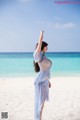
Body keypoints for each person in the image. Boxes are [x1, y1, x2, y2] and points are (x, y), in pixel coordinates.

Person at [33, 31, 52, 120]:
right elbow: (40, 42)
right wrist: (41, 34)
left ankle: (39, 118)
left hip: (44, 81)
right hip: (40, 82)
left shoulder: (43, 57)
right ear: (42, 47)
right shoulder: (38, 55)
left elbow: (46, 71)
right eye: (46, 46)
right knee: (39, 103)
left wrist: (48, 81)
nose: (47, 48)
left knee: (42, 103)